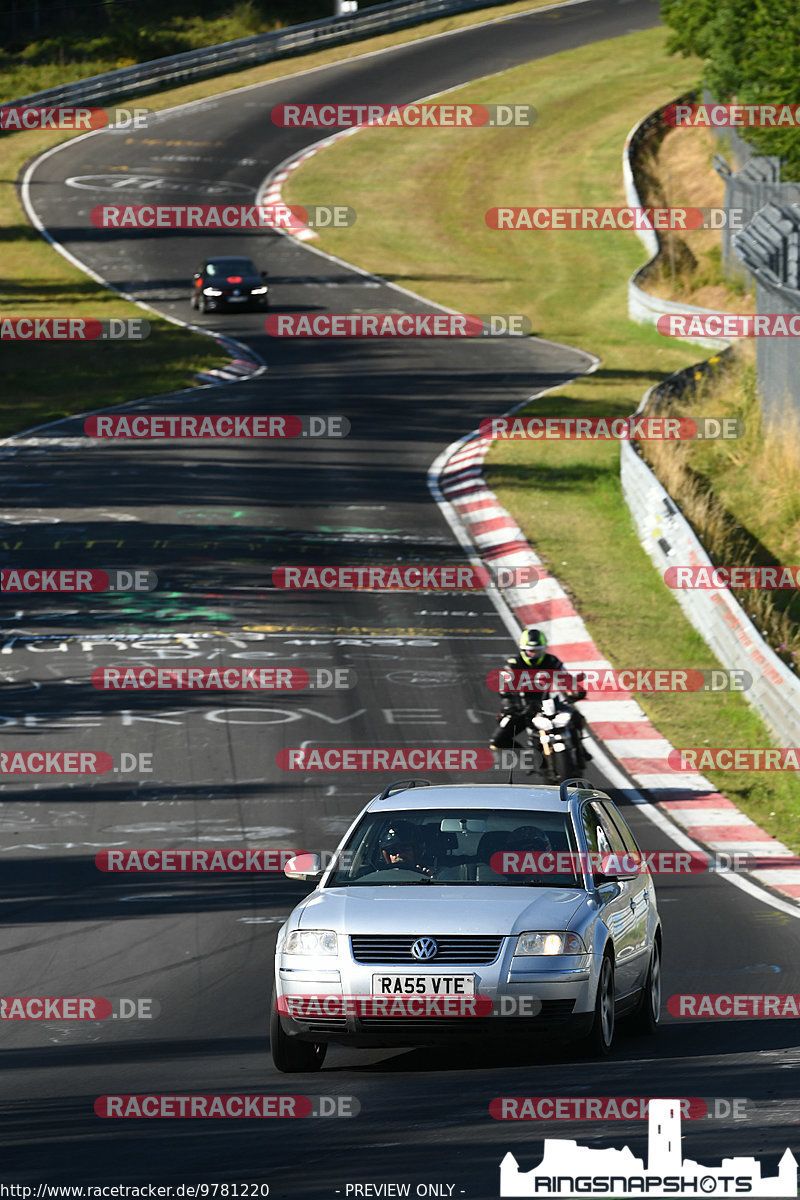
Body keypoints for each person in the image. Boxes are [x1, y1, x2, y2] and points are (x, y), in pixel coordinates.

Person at [489, 627, 588, 765]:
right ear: (523, 650)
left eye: (538, 651)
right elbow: (504, 687)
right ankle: (528, 756)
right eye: (531, 651)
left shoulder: (551, 661)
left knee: (577, 718)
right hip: (521, 707)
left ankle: (580, 750)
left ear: (544, 649)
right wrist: (511, 704)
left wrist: (576, 690)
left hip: (546, 704)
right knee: (497, 741)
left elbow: (565, 678)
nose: (534, 655)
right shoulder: (513, 664)